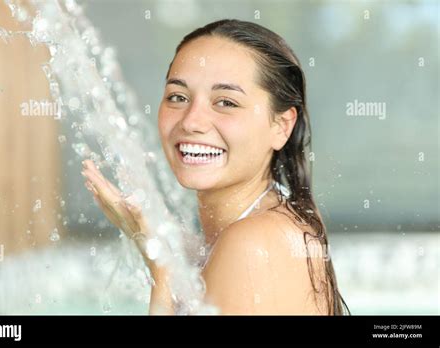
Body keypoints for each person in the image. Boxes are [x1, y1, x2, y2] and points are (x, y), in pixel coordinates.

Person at [82, 19, 349, 315]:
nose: (191, 121)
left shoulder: (253, 245)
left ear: (281, 126)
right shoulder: (271, 223)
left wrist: (162, 273)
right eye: (178, 97)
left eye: (226, 102)